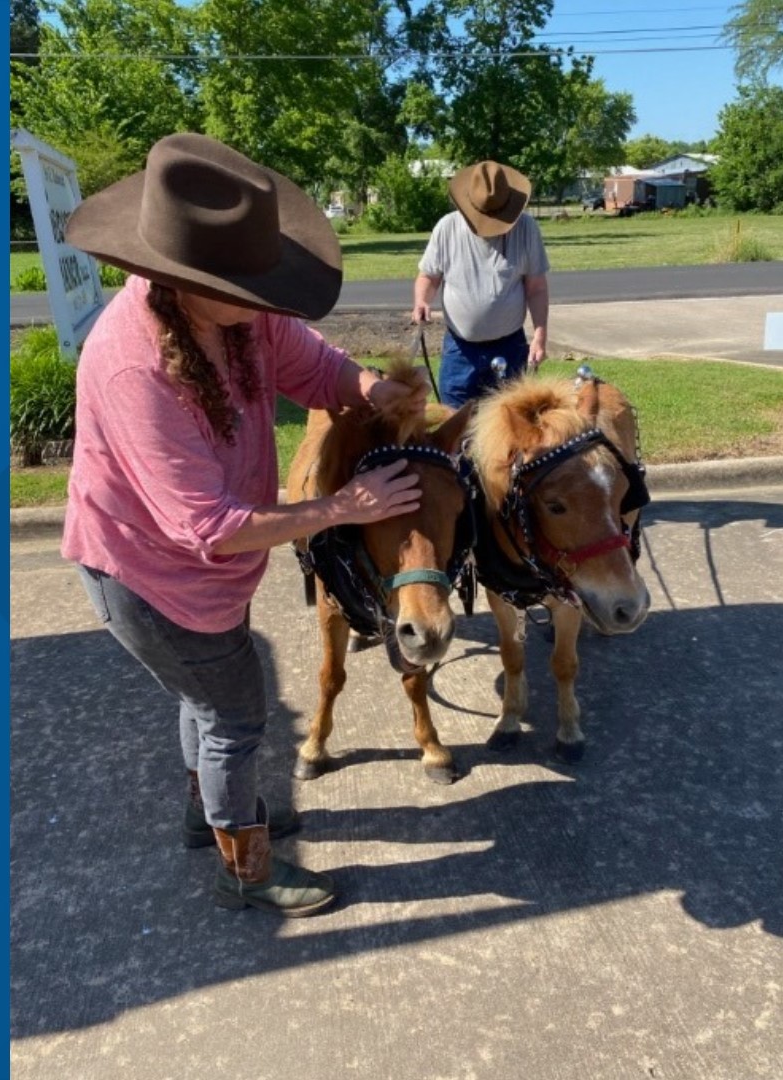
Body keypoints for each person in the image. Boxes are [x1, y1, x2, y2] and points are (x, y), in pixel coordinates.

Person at [61, 133, 422, 918]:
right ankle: (245, 869)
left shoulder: (239, 313)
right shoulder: (132, 365)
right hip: (150, 578)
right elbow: (212, 528)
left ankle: (213, 815)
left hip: (201, 571)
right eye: (252, 289)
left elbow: (311, 363)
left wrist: (368, 387)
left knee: (205, 700)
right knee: (234, 716)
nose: (269, 302)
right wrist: (344, 506)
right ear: (187, 282)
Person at [412, 160, 552, 407]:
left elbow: (536, 288)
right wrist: (422, 301)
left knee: (510, 422)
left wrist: (540, 335)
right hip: (459, 349)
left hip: (510, 346)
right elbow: (429, 276)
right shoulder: (447, 228)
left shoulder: (527, 229)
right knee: (455, 421)